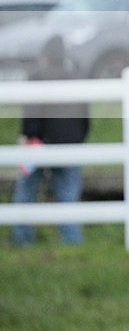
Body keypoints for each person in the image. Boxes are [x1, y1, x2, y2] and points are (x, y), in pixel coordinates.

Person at [12, 36, 89, 245]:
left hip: (39, 143)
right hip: (71, 144)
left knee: (27, 191)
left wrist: (28, 137)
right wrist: (78, 139)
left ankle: (22, 239)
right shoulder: (76, 77)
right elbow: (84, 116)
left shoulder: (36, 77)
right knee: (68, 196)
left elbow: (32, 114)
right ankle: (73, 241)